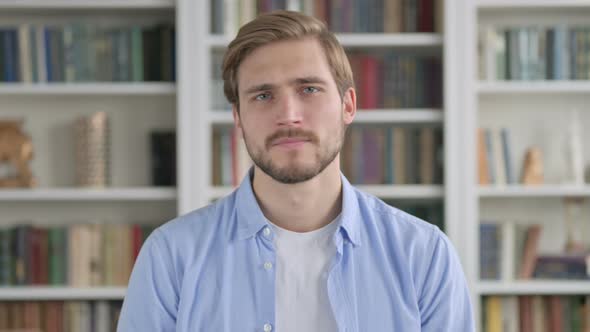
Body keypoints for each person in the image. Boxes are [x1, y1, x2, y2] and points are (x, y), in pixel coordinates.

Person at [117, 10, 474, 332]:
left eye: (309, 89)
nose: (288, 114)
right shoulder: (171, 256)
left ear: (348, 105)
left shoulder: (424, 255)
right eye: (262, 95)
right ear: (238, 117)